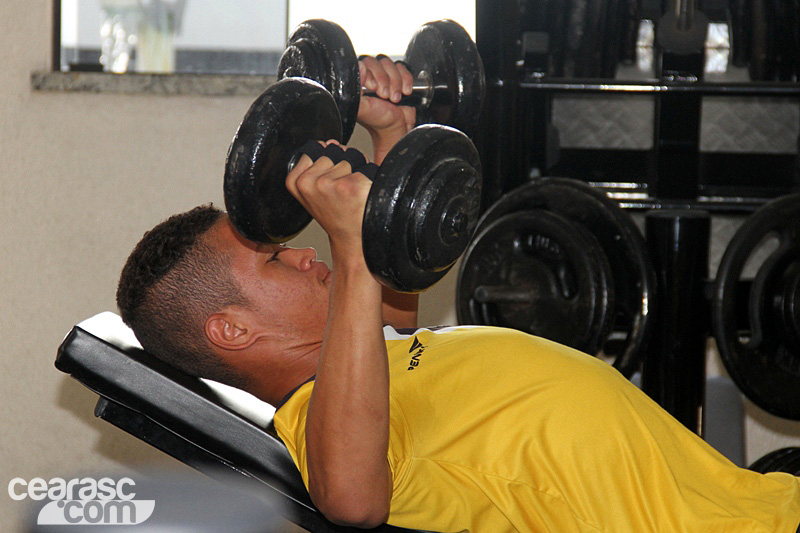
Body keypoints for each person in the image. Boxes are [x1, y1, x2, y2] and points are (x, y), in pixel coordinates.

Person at [116, 57, 800, 532]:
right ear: (232, 331)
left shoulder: (365, 366)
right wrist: (348, 250)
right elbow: (352, 499)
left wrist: (391, 131)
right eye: (273, 257)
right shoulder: (316, 420)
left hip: (759, 507)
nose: (303, 252)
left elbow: (387, 301)